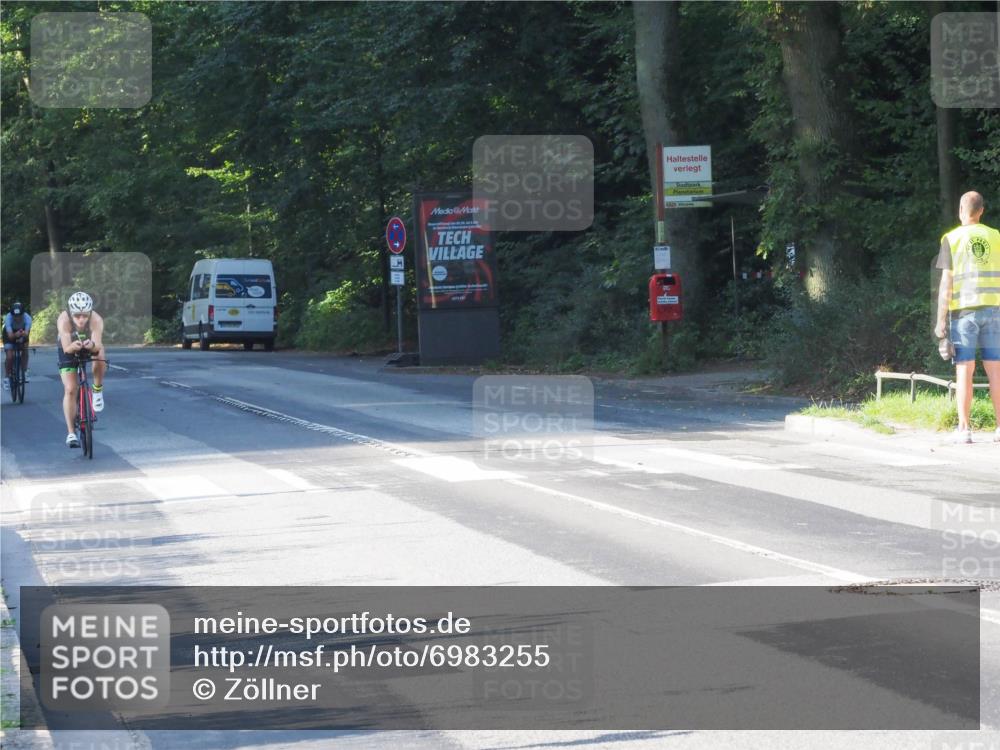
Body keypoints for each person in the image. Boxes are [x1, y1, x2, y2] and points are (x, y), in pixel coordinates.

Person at [934, 191, 1000, 444]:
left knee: (964, 370)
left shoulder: (951, 239)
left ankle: (964, 429)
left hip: (964, 314)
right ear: (981, 211)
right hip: (994, 311)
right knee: (996, 370)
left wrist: (941, 320)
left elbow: (946, 283)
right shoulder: (996, 237)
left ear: (961, 210)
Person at [57, 291, 106, 448]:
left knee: (101, 354)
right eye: (77, 316)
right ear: (71, 313)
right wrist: (73, 346)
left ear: (90, 312)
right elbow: (66, 348)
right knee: (71, 389)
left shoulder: (96, 319)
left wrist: (92, 345)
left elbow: (97, 346)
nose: (81, 319)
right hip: (68, 346)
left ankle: (97, 390)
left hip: (88, 342)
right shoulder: (64, 319)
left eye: (85, 315)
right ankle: (71, 433)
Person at [3, 301, 32, 388]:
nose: (17, 318)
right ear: (12, 315)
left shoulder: (28, 318)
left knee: (25, 349)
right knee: (10, 357)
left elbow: (26, 333)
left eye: (19, 316)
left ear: (23, 314)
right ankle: (6, 378)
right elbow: (10, 336)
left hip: (22, 332)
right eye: (15, 316)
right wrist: (15, 335)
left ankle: (24, 371)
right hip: (9, 334)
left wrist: (22, 337)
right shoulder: (8, 318)